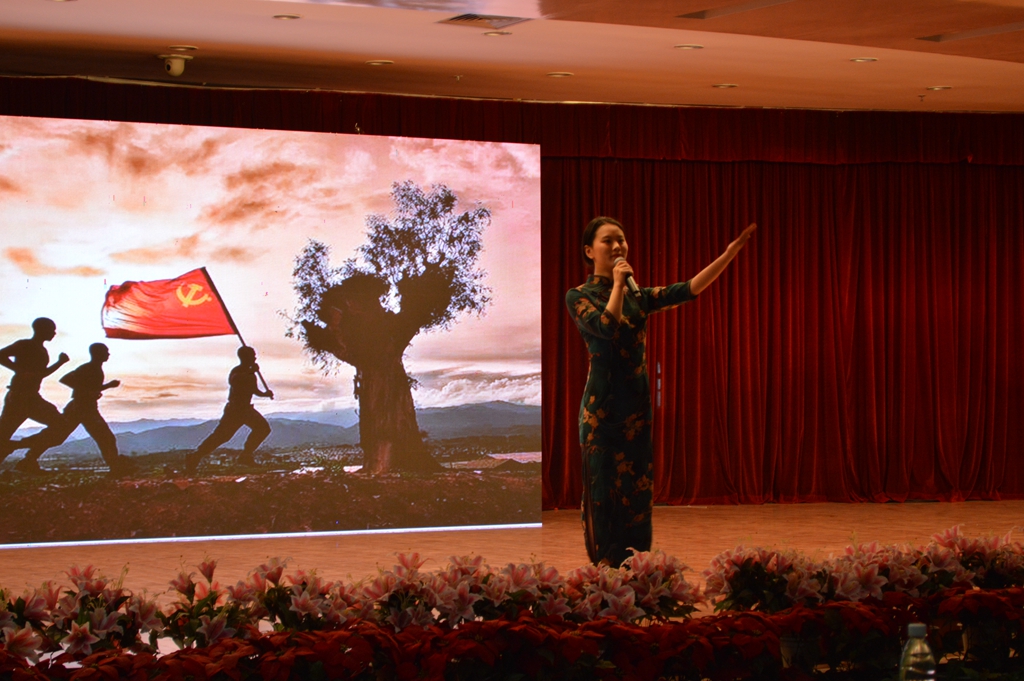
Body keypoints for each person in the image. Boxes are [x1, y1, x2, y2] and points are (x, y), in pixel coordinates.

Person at [565, 217, 756, 566]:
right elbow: (606, 327)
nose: (618, 246)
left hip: (637, 409)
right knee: (604, 494)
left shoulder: (638, 295)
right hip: (602, 412)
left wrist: (728, 254)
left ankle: (637, 568)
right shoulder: (579, 296)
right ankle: (604, 574)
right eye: (608, 241)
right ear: (589, 251)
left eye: (622, 239)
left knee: (637, 493)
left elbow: (687, 290)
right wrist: (619, 284)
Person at [13, 343, 137, 477]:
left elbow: (89, 388)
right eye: (105, 351)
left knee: (58, 437)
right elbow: (66, 379)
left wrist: (104, 387)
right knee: (104, 438)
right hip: (82, 408)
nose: (108, 354)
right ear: (97, 353)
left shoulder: (94, 369)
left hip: (82, 407)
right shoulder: (89, 368)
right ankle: (115, 469)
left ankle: (26, 458)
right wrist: (93, 390)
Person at [185, 345, 273, 475]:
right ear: (245, 357)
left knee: (263, 428)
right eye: (253, 356)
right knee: (221, 437)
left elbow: (253, 390)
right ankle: (195, 456)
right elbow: (235, 381)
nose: (255, 358)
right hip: (234, 411)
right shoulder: (237, 371)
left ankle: (246, 455)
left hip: (246, 410)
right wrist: (251, 372)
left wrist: (265, 394)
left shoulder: (250, 373)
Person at [0, 317, 70, 472]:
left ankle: (17, 450)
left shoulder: (42, 351)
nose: (54, 333)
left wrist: (59, 363)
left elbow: (41, 374)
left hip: (28, 396)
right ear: (41, 330)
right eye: (52, 330)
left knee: (60, 426)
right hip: (20, 396)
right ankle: (24, 457)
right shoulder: (24, 345)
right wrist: (19, 370)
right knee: (61, 426)